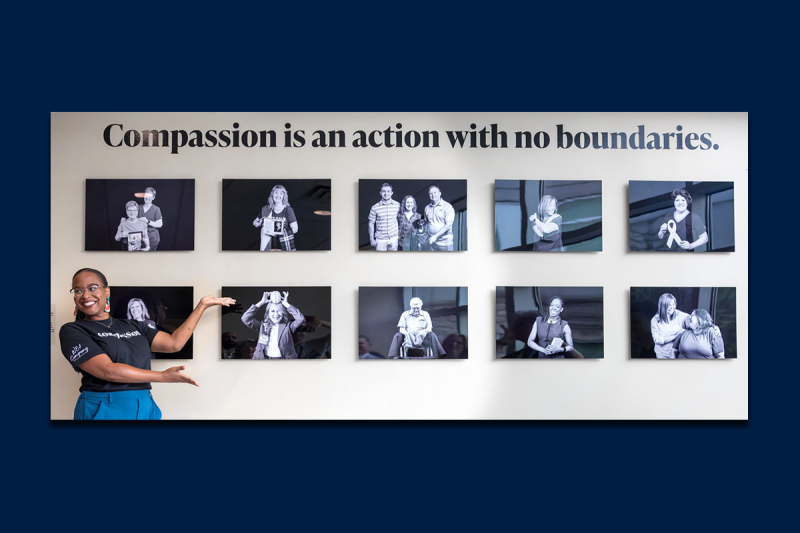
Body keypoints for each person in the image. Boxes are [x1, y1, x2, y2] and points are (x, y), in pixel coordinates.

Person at [59, 268, 235, 420]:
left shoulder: (134, 325)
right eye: (78, 290)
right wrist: (163, 376)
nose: (86, 295)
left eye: (92, 288)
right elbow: (108, 371)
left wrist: (201, 306)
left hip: (143, 403)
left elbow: (174, 343)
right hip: (104, 406)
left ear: (107, 292)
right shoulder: (73, 331)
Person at [650, 293, 722, 359]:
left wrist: (713, 326)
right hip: (662, 354)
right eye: (669, 305)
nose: (672, 307)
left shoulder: (679, 315)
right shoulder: (655, 320)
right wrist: (677, 334)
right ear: (663, 306)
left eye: (673, 304)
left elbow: (697, 321)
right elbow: (658, 340)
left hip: (676, 351)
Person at [241, 290, 305, 359]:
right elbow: (245, 318)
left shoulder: (288, 327)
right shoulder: (262, 326)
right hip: (263, 359)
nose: (276, 314)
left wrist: (286, 304)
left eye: (279, 311)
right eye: (272, 311)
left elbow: (300, 319)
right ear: (268, 314)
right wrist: (261, 303)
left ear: (283, 313)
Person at [253, 184, 298, 251]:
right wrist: (261, 223)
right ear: (272, 195)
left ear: (284, 196)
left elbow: (295, 229)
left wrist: (280, 232)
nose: (278, 195)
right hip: (268, 243)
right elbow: (255, 222)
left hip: (283, 244)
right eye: (276, 193)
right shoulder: (266, 209)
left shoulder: (288, 210)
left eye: (281, 193)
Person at [368, 183, 400, 251]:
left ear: (392, 193)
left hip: (394, 238)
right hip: (380, 240)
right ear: (380, 193)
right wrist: (371, 239)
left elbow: (401, 220)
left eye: (388, 191)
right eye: (383, 191)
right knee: (380, 260)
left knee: (393, 260)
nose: (386, 193)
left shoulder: (397, 205)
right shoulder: (374, 207)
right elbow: (371, 223)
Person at [424, 185, 455, 251]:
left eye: (435, 192)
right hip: (431, 243)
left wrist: (435, 237)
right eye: (430, 193)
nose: (433, 195)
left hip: (445, 244)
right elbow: (427, 224)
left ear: (440, 193)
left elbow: (448, 225)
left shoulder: (447, 206)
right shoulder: (426, 208)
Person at [138, 187, 163, 251]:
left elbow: (160, 224)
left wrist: (147, 221)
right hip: (139, 238)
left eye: (150, 196)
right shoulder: (138, 207)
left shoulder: (156, 209)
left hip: (152, 238)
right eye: (146, 195)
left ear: (153, 198)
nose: (147, 198)